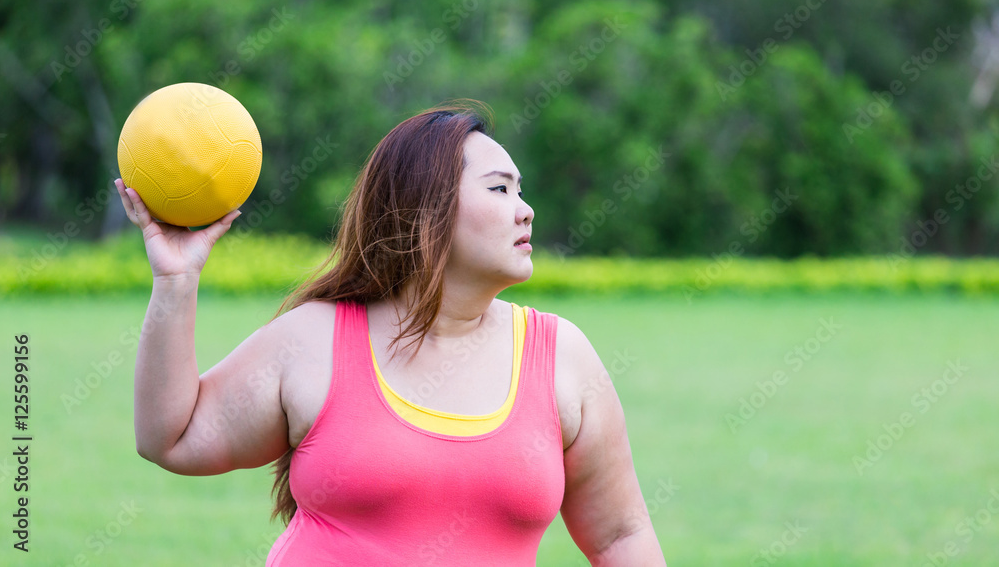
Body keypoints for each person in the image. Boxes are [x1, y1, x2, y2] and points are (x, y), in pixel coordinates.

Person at [114, 100, 666, 565]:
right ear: (427, 207)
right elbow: (173, 438)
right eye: (499, 190)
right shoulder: (314, 339)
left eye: (521, 191)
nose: (525, 211)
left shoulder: (561, 356)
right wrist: (176, 280)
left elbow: (621, 535)